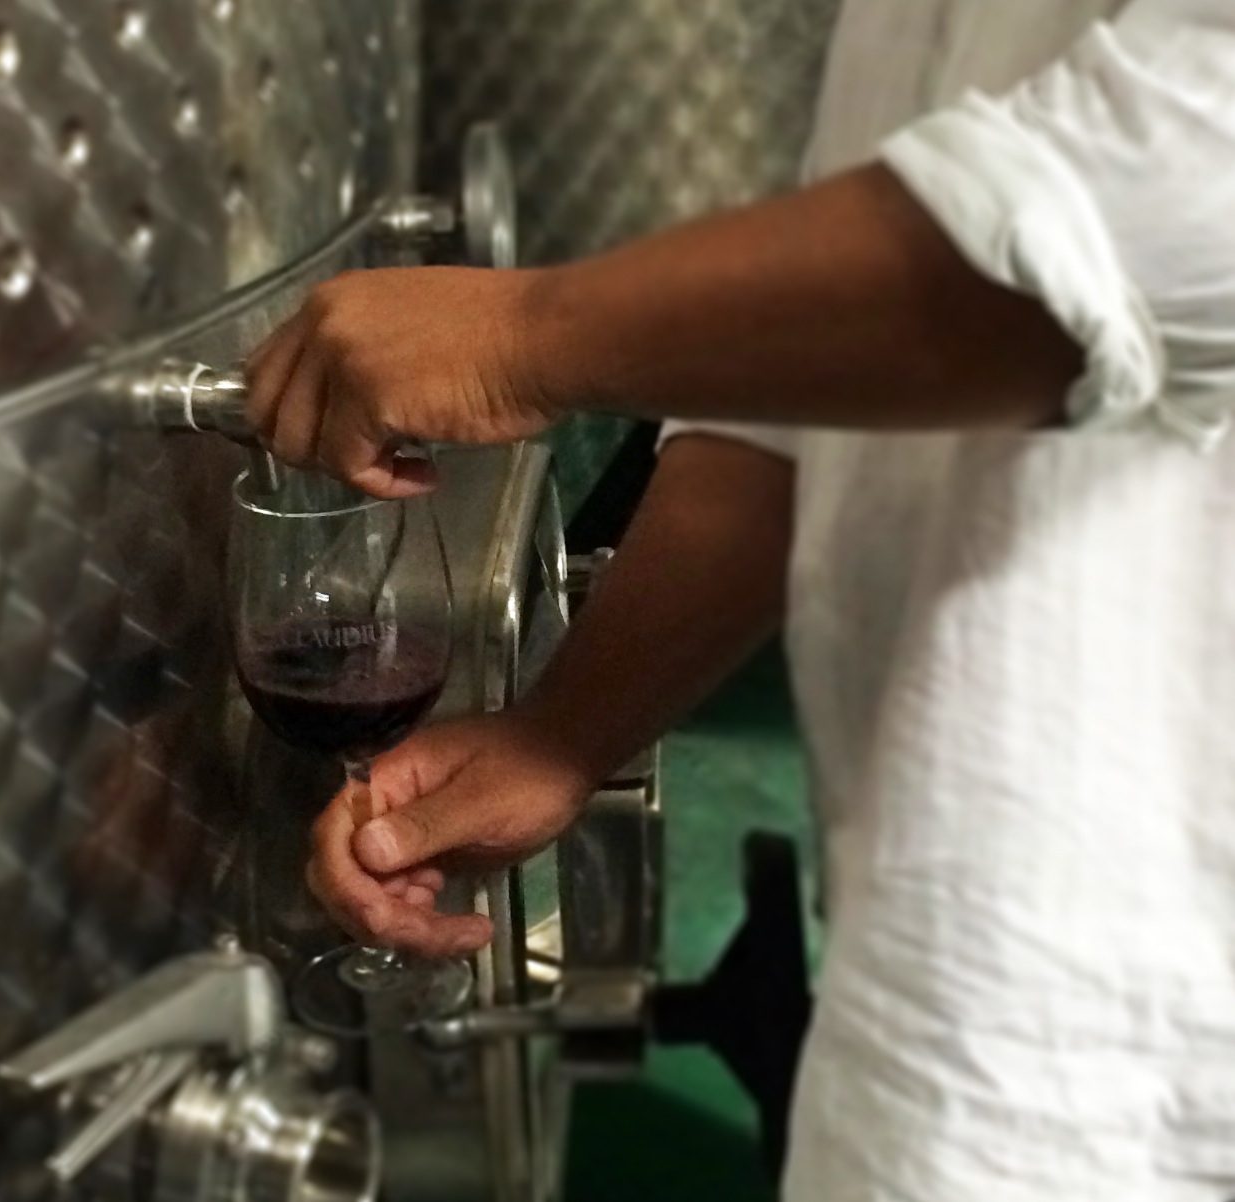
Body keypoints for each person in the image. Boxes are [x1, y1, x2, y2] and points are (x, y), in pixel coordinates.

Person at [252, 2, 1235, 1199]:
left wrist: (520, 337)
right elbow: (808, 384)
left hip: (1146, 1010)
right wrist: (561, 733)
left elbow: (1086, 259)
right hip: (946, 938)